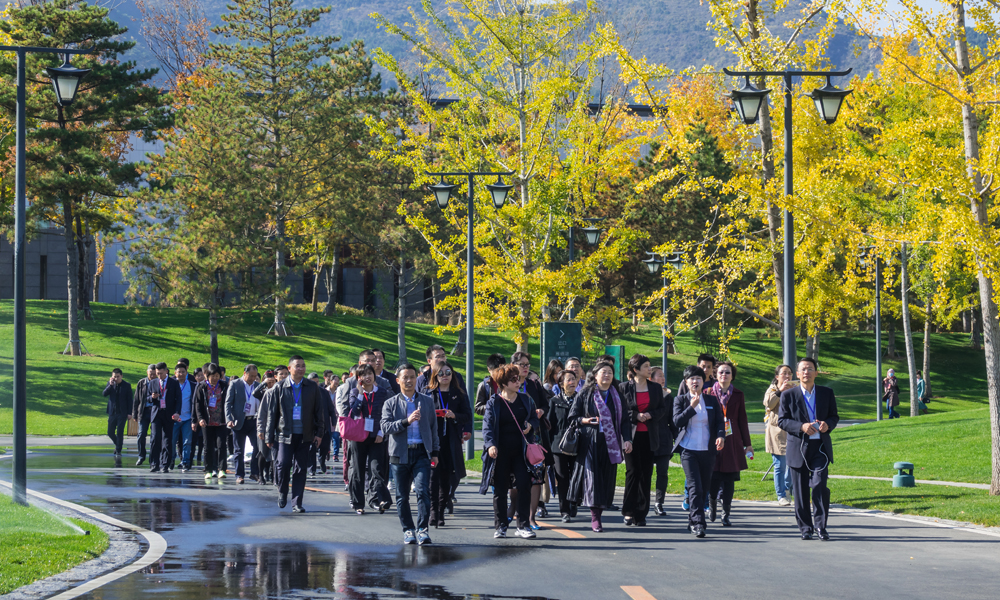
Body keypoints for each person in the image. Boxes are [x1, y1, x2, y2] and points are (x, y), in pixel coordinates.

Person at [779, 357, 839, 540]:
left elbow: (834, 417)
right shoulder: (789, 395)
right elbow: (782, 420)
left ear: (816, 373)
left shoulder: (826, 393)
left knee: (819, 485)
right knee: (800, 490)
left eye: (810, 369)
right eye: (803, 369)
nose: (807, 372)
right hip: (798, 447)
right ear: (797, 374)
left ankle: (821, 526)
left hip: (820, 447)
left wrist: (827, 425)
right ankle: (806, 528)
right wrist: (801, 427)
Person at [568, 361, 632, 532]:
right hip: (591, 442)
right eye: (603, 372)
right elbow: (573, 416)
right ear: (595, 376)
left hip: (611, 443)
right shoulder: (585, 393)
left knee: (606, 478)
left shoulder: (617, 395)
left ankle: (600, 511)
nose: (607, 375)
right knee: (593, 479)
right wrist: (585, 420)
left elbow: (625, 420)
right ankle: (595, 517)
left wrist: (627, 439)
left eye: (610, 372)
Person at [480, 363, 541, 539]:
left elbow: (535, 420)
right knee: (500, 490)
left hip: (521, 452)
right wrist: (490, 445)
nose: (518, 381)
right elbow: (487, 427)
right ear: (503, 384)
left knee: (524, 485)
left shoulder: (525, 399)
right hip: (500, 452)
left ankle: (523, 525)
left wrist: (531, 425)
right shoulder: (494, 402)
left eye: (518, 378)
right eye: (513, 379)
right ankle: (500, 526)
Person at [381, 363, 439, 545]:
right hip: (400, 454)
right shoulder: (390, 403)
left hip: (422, 452)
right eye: (405, 377)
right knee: (402, 495)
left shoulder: (427, 401)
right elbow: (385, 427)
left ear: (417, 378)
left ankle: (422, 529)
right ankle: (408, 530)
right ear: (398, 380)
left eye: (412, 377)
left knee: (423, 491)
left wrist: (435, 452)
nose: (409, 380)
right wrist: (406, 421)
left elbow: (433, 429)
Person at [265, 355, 325, 513]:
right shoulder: (279, 387)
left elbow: (319, 412)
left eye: (303, 366)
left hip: (305, 435)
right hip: (284, 434)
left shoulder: (312, 387)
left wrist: (319, 433)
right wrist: (268, 436)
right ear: (289, 368)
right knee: (283, 464)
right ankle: (283, 491)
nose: (301, 369)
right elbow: (272, 414)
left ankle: (297, 502)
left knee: (300, 469)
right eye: (297, 366)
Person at [672, 365, 725, 538]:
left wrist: (720, 436)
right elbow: (677, 422)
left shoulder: (711, 401)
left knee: (704, 488)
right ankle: (698, 524)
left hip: (708, 450)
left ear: (704, 381)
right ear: (686, 382)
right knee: (694, 487)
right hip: (688, 450)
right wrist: (691, 407)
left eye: (699, 378)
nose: (695, 381)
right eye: (692, 379)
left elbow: (719, 422)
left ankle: (692, 519)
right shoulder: (680, 400)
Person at [619, 354, 667, 526]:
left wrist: (650, 415)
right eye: (646, 366)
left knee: (646, 473)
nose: (649, 368)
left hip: (649, 435)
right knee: (632, 472)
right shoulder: (624, 387)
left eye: (649, 365)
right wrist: (635, 416)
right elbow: (621, 412)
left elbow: (662, 409)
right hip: (631, 436)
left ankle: (641, 513)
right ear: (635, 370)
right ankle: (628, 511)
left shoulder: (655, 388)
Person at [426, 361, 472, 527]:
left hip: (451, 441)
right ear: (435, 376)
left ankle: (441, 511)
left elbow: (467, 415)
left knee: (446, 479)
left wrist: (454, 416)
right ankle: (432, 511)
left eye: (448, 373)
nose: (445, 376)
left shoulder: (458, 394)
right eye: (441, 373)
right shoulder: (429, 394)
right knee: (432, 478)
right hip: (433, 442)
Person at [510, 351, 551, 528]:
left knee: (536, 479)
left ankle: (531, 517)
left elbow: (545, 403)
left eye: (528, 364)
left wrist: (541, 411)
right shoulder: (508, 384)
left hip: (534, 438)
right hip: (513, 437)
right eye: (522, 364)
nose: (526, 368)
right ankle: (514, 508)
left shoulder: (534, 385)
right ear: (514, 366)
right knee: (515, 480)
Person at [344, 364, 392, 515]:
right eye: (363, 374)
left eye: (370, 373)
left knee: (376, 469)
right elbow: (354, 412)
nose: (368, 377)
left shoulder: (383, 393)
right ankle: (358, 502)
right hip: (358, 437)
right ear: (359, 378)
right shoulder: (354, 392)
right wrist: (359, 393)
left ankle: (375, 500)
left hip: (377, 436)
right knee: (357, 470)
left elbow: (387, 415)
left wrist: (381, 432)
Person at [709, 361, 752, 526]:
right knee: (713, 477)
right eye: (721, 372)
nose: (724, 375)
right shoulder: (708, 393)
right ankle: (712, 504)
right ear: (715, 374)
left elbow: (743, 420)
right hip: (713, 440)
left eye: (727, 372)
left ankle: (725, 513)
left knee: (728, 479)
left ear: (732, 376)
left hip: (733, 441)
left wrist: (747, 444)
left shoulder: (738, 395)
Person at [677, 353, 716, 511]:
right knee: (692, 478)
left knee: (705, 478)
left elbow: (718, 415)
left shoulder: (713, 387)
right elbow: (678, 411)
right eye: (702, 366)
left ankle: (704, 502)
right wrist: (691, 406)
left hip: (707, 442)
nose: (705, 369)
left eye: (708, 367)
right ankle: (690, 500)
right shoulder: (686, 385)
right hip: (688, 442)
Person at [546, 368, 579, 522]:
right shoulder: (554, 401)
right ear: (561, 384)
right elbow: (549, 425)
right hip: (558, 447)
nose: (572, 382)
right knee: (563, 477)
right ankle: (564, 510)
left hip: (578, 445)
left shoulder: (581, 399)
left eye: (574, 379)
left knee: (576, 476)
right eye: (568, 380)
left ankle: (574, 502)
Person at [764, 364, 794, 506]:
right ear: (777, 376)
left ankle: (787, 488)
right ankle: (781, 495)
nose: (787, 376)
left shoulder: (795, 387)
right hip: (777, 432)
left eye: (789, 373)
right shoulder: (772, 389)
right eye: (783, 373)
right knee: (779, 465)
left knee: (793, 464)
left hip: (793, 431)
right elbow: (768, 404)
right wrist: (780, 391)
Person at [225, 364, 261, 484]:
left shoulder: (258, 386)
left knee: (257, 447)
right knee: (239, 450)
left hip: (254, 421)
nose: (253, 378)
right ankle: (239, 475)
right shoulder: (235, 384)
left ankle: (254, 472)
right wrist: (229, 419)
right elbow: (228, 403)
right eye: (251, 376)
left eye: (255, 376)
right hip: (239, 421)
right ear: (244, 373)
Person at [195, 363, 230, 481]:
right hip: (207, 421)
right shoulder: (201, 387)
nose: (214, 378)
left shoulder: (224, 386)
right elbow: (197, 405)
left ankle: (221, 469)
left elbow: (229, 402)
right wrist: (200, 418)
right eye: (212, 376)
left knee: (221, 446)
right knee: (208, 446)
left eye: (217, 375)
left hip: (221, 421)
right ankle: (208, 470)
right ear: (207, 376)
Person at [649, 367, 676, 516]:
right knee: (646, 472)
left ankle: (659, 502)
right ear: (651, 379)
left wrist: (676, 436)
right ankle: (643, 500)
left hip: (664, 438)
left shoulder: (668, 397)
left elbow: (672, 419)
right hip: (648, 437)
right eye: (659, 376)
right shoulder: (646, 394)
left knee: (663, 472)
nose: (663, 378)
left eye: (663, 376)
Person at [148, 362, 181, 473]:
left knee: (167, 440)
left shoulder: (174, 383)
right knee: (155, 439)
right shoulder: (153, 383)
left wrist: (177, 412)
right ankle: (154, 464)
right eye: (157, 373)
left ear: (166, 371)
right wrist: (152, 397)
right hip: (156, 413)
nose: (159, 376)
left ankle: (165, 464)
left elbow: (178, 399)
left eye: (161, 373)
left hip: (169, 414)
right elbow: (147, 398)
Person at [103, 368, 132, 458]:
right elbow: (104, 394)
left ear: (121, 376)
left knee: (120, 432)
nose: (116, 378)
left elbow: (130, 400)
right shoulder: (110, 384)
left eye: (117, 376)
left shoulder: (126, 385)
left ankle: (118, 450)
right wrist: (110, 385)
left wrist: (129, 412)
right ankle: (118, 444)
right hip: (112, 412)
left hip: (122, 413)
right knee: (110, 432)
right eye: (114, 376)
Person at [171, 363, 195, 472]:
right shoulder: (171, 384)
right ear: (175, 373)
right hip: (174, 419)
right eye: (179, 372)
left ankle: (186, 462)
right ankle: (170, 460)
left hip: (188, 418)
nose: (181, 374)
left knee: (187, 442)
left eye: (183, 372)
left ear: (186, 373)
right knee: (171, 441)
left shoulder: (192, 385)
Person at [131, 364, 156, 467]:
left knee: (154, 437)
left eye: (155, 374)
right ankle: (141, 456)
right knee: (141, 435)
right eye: (151, 374)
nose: (153, 376)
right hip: (143, 411)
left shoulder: (159, 383)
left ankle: (153, 458)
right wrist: (134, 414)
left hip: (155, 411)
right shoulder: (141, 383)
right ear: (147, 372)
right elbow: (136, 399)